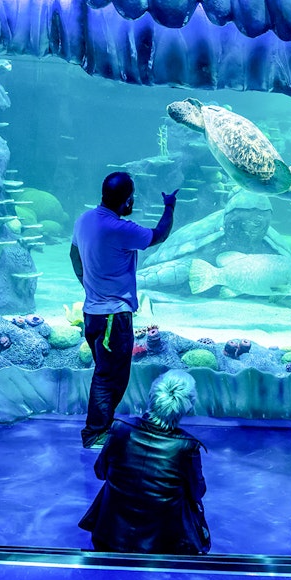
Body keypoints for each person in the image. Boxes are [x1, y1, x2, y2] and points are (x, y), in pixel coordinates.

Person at [70, 172, 177, 449]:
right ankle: (95, 434)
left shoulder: (84, 220)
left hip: (93, 313)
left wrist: (87, 284)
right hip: (112, 317)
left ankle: (100, 428)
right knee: (109, 377)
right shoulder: (120, 229)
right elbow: (159, 235)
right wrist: (169, 207)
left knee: (107, 373)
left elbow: (73, 254)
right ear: (128, 198)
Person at [79, 370, 209, 554]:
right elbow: (197, 492)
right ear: (188, 407)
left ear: (151, 396)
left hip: (108, 538)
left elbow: (100, 472)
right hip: (161, 547)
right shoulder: (187, 446)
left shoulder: (120, 430)